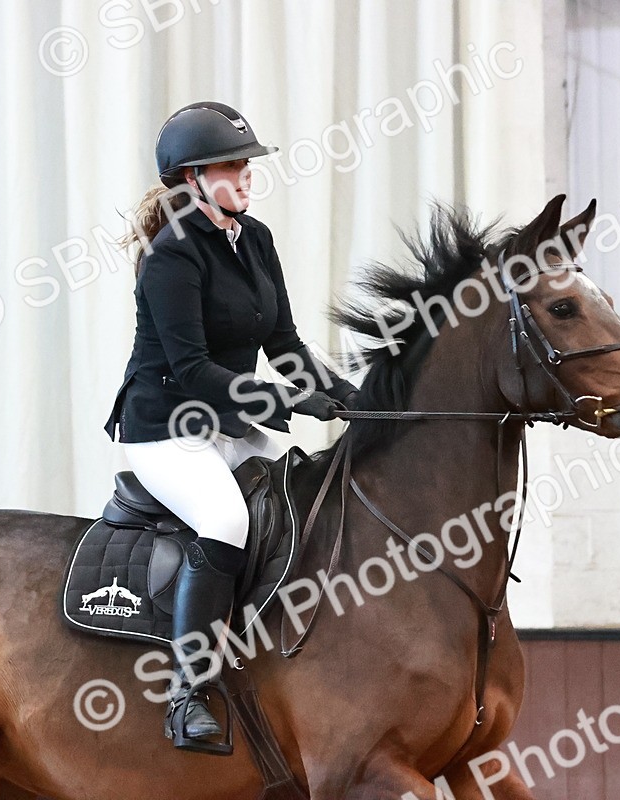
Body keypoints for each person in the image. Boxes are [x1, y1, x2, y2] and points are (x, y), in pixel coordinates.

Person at [103, 101, 358, 752]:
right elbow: (190, 369)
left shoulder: (256, 239)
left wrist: (347, 394)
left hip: (230, 420)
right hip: (166, 427)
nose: (246, 177)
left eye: (246, 164)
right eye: (229, 167)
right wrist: (284, 402)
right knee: (227, 522)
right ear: (191, 179)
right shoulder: (172, 257)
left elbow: (284, 341)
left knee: (299, 501)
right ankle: (187, 693)